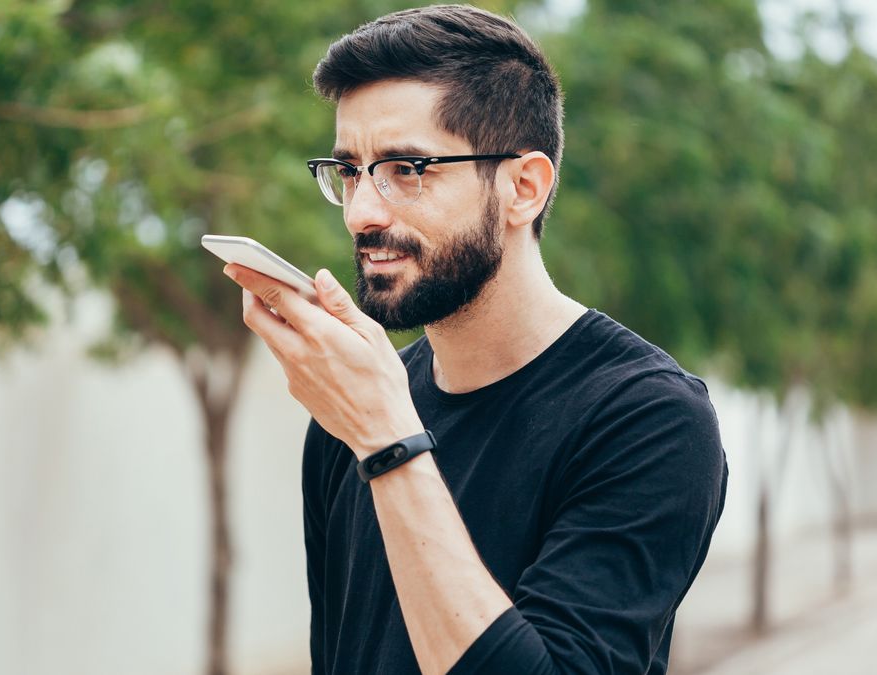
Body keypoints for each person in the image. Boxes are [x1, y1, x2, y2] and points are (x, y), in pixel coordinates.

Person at [221, 5, 728, 673]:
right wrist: (369, 425)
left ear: (523, 188)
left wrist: (385, 440)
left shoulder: (648, 419)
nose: (363, 212)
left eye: (408, 168)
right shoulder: (348, 418)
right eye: (350, 171)